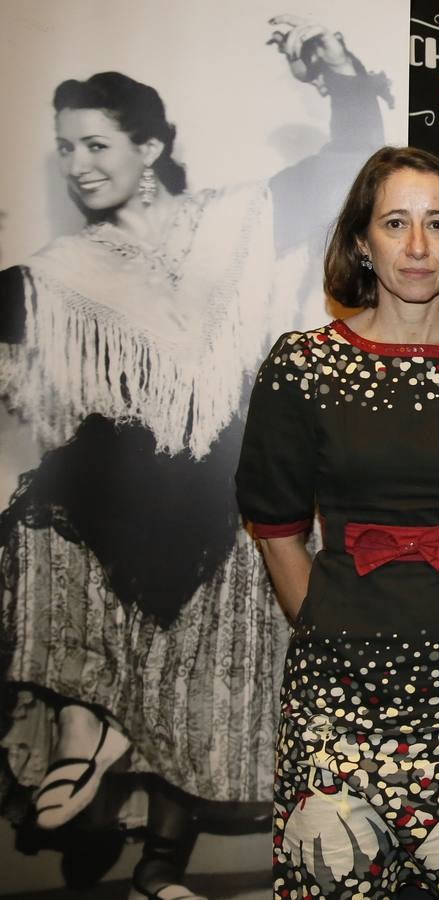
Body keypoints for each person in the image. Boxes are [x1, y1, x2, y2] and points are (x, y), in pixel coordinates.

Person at [0, 19, 387, 897]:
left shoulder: (236, 220)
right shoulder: (57, 272)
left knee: (201, 682)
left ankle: (157, 864)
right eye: (64, 149)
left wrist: (340, 77)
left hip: (236, 499)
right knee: (36, 530)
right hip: (119, 512)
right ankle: (80, 731)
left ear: (151, 145)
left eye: (96, 144)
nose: (79, 165)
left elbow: (353, 168)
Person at [236, 145, 439, 897]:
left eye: (437, 224)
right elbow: (275, 523)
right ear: (361, 242)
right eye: (395, 223)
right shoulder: (302, 364)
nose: (416, 246)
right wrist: (327, 615)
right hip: (336, 691)